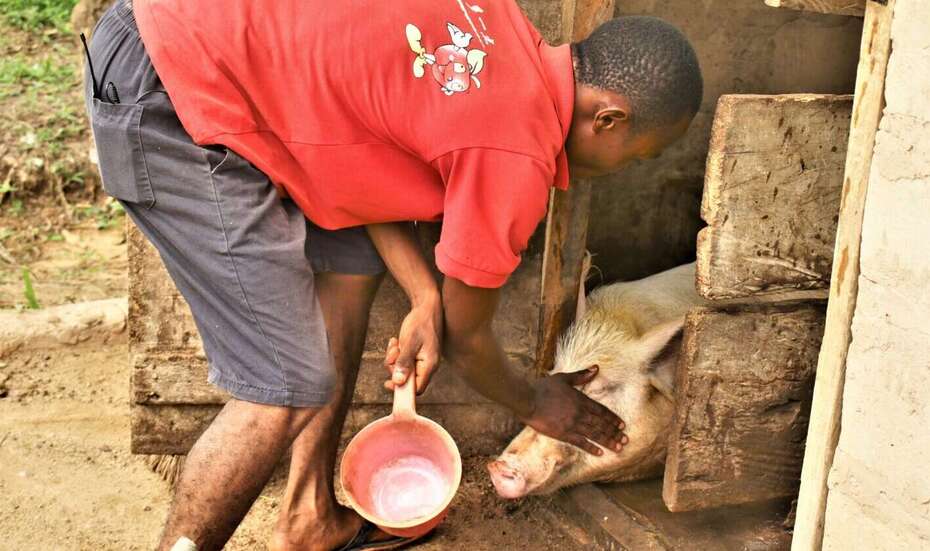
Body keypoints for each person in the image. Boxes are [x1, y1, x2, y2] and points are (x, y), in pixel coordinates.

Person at [83, 1, 702, 549]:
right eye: (639, 155)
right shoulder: (516, 154)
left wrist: (424, 294)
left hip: (172, 45)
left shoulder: (500, 26)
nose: (627, 168)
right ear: (608, 119)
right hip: (170, 91)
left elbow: (362, 163)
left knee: (351, 259)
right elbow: (467, 342)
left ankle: (308, 518)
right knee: (284, 384)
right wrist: (537, 400)